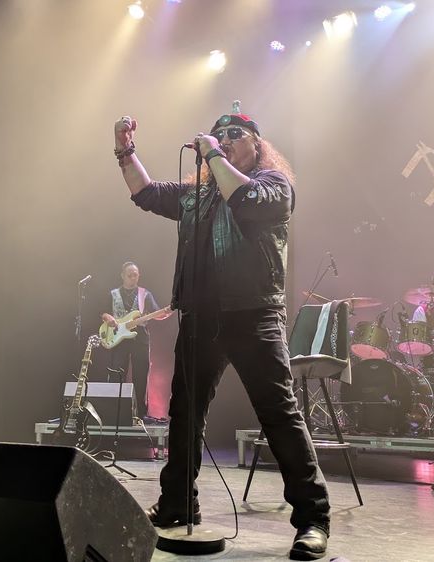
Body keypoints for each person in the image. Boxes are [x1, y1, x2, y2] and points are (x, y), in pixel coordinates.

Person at [113, 112, 331, 560]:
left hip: (254, 316)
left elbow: (246, 202)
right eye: (220, 134)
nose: (226, 140)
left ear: (257, 144)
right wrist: (125, 150)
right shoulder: (198, 195)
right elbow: (146, 193)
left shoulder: (273, 185)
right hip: (200, 318)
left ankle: (312, 519)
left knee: (279, 416)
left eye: (236, 135)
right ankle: (176, 503)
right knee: (184, 414)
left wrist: (211, 151)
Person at [101, 261, 173, 422]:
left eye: (136, 275)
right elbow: (104, 313)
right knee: (117, 374)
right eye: (130, 275)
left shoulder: (144, 294)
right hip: (118, 337)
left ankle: (139, 414)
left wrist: (165, 312)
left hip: (139, 337)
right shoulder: (113, 294)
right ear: (122, 276)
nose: (134, 278)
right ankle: (114, 412)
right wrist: (109, 318)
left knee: (141, 375)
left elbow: (156, 313)